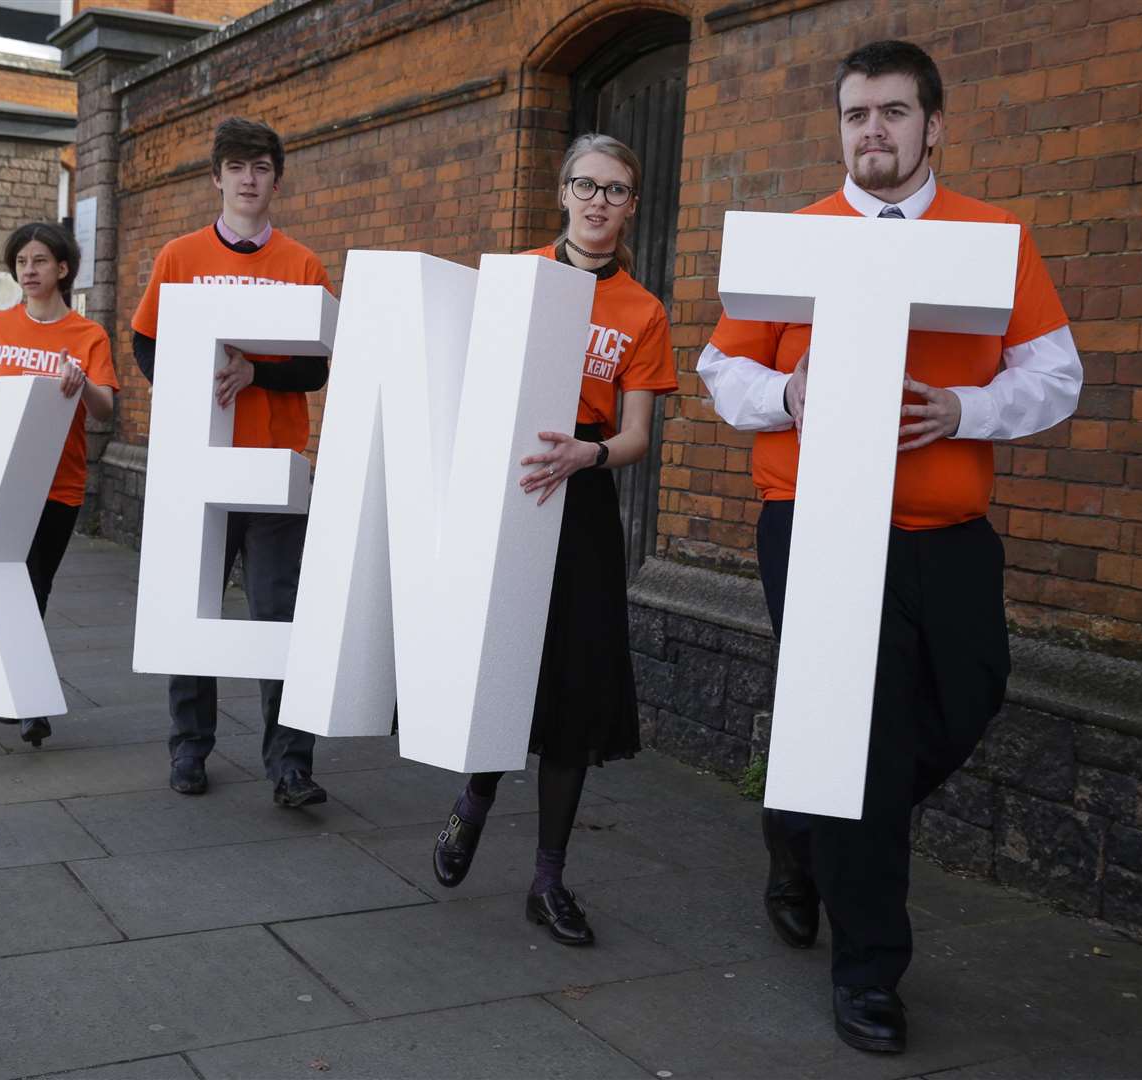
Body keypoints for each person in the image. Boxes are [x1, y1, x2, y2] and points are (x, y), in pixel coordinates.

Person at [698, 40, 1082, 1055]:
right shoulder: (800, 241)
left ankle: (803, 820)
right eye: (857, 114)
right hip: (816, 526)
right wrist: (787, 393)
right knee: (864, 753)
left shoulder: (992, 238)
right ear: (840, 128)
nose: (873, 130)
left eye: (894, 113)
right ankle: (869, 971)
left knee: (972, 696)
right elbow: (718, 371)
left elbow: (1057, 377)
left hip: (947, 534)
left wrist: (964, 406)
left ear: (933, 125)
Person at [429, 133, 677, 947]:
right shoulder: (515, 280)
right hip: (511, 489)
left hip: (583, 495)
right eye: (586, 185)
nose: (599, 201)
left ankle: (548, 878)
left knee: (573, 685)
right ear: (563, 193)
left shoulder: (643, 310)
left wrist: (589, 453)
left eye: (616, 189)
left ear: (630, 205)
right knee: (505, 660)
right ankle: (475, 799)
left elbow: (637, 434)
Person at [130, 117, 334, 808]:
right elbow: (147, 345)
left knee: (281, 616)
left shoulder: (302, 263)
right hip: (201, 468)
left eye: (262, 168)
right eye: (237, 167)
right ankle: (190, 748)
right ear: (216, 177)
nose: (250, 179)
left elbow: (314, 369)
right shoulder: (180, 256)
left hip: (276, 465)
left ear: (278, 179)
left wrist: (254, 375)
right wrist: (193, 393)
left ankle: (290, 765)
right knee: (195, 610)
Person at [0, 221, 118, 748]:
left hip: (58, 483)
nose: (28, 271)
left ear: (62, 268)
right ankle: (23, 696)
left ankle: (23, 693)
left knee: (34, 586)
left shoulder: (87, 335)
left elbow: (105, 408)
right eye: (20, 263)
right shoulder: (1, 326)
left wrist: (82, 385)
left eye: (38, 261)